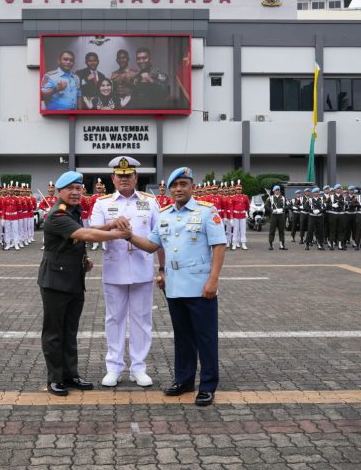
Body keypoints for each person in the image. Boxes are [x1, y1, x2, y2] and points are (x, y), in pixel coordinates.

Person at [127, 166, 227, 407]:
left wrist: (213, 280)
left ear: (192, 187)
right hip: (174, 287)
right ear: (170, 190)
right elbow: (152, 245)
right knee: (183, 337)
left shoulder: (206, 212)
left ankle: (207, 385)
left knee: (205, 337)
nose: (179, 189)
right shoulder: (164, 214)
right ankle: (183, 380)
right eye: (175, 186)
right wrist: (128, 236)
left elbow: (219, 245)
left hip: (201, 286)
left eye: (183, 184)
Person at [38, 170, 131, 397]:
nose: (75, 193)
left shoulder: (72, 212)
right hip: (55, 282)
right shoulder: (58, 215)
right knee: (54, 333)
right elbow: (85, 235)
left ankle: (71, 375)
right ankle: (55, 379)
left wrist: (108, 227)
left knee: (70, 331)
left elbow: (82, 235)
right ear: (59, 192)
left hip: (73, 278)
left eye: (79, 189)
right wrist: (119, 235)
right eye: (70, 189)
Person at [90, 156, 164, 388]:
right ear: (113, 178)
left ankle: (138, 368)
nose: (124, 179)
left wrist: (162, 269)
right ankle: (114, 367)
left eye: (128, 175)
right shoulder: (102, 203)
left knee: (142, 320)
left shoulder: (150, 202)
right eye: (120, 176)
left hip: (142, 268)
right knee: (114, 319)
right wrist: (111, 226)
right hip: (114, 269)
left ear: (135, 177)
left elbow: (160, 237)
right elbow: (93, 231)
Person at [265, 185, 287, 250]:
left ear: (279, 191)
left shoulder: (283, 198)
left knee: (281, 231)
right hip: (274, 216)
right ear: (273, 191)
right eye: (276, 190)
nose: (277, 191)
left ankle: (282, 245)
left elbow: (289, 205)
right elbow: (266, 206)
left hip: (281, 216)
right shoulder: (270, 198)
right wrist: (272, 210)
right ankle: (271, 245)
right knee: (272, 230)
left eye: (278, 190)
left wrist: (283, 209)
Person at [230, 181, 249, 250]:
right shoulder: (233, 197)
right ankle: (234, 243)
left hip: (242, 215)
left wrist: (246, 212)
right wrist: (231, 217)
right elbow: (231, 207)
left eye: (240, 189)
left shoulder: (245, 197)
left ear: (241, 190)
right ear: (235, 190)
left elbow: (247, 206)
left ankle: (243, 243)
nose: (239, 190)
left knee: (243, 230)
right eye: (237, 189)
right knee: (235, 230)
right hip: (235, 215)